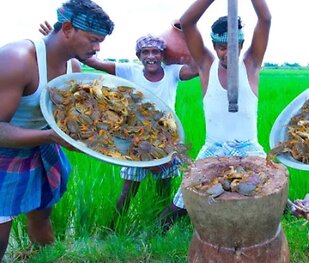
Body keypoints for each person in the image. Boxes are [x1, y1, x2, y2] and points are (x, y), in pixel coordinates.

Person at [40, 22, 199, 226]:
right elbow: (94, 62)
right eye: (145, 52)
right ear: (138, 55)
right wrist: (60, 43)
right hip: (132, 141)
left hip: (164, 141)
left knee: (163, 189)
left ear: (163, 55)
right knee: (127, 191)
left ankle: (159, 228)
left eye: (156, 52)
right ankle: (113, 228)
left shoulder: (172, 72)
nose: (151, 56)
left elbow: (197, 67)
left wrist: (187, 34)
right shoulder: (128, 70)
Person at [0, 0, 114, 262]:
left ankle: (50, 261)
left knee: (42, 216)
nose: (97, 48)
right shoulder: (17, 59)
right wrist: (51, 137)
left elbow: (65, 113)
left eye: (101, 42)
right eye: (94, 40)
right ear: (67, 29)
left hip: (41, 148)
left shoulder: (73, 68)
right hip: (5, 154)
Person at [158, 0, 271, 232]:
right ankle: (155, 235)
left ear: (241, 45)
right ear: (213, 45)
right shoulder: (205, 65)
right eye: (221, 46)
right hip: (213, 147)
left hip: (248, 147)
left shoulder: (251, 64)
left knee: (270, 192)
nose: (227, 52)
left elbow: (265, 19)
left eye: (233, 46)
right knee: (183, 198)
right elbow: (187, 22)